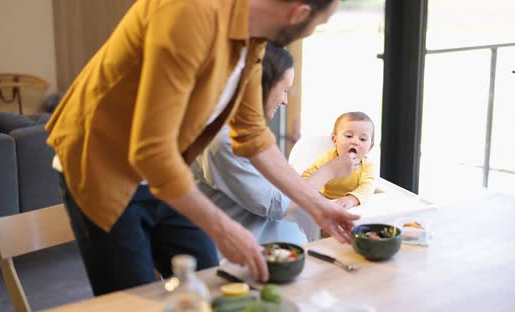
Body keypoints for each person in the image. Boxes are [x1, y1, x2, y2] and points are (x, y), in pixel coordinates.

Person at [45, 0, 358, 296]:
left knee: (208, 279)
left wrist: (317, 206)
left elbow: (250, 133)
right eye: (319, 23)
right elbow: (150, 151)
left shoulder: (253, 37)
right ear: (299, 13)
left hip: (166, 171)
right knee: (131, 298)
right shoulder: (188, 14)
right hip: (101, 165)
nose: (312, 31)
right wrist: (225, 230)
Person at [192, 45, 358, 248]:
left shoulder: (244, 126)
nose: (286, 101)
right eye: (284, 90)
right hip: (247, 253)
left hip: (272, 241)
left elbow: (278, 183)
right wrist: (330, 170)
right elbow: (278, 204)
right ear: (260, 87)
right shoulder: (224, 140)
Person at [301, 112, 377, 209]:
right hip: (325, 203)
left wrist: (352, 199)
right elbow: (306, 176)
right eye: (349, 136)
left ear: (370, 147)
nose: (355, 142)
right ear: (334, 140)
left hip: (353, 207)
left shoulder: (368, 165)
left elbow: (368, 187)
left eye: (362, 139)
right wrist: (317, 196)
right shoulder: (327, 158)